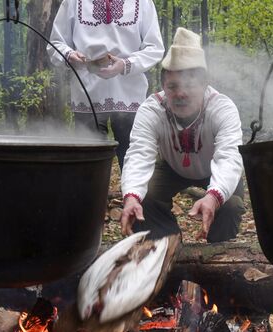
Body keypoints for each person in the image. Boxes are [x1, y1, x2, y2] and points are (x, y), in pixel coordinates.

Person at [120, 27, 245, 242]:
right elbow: (140, 153)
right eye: (173, 86)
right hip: (171, 167)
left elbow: (229, 156)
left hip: (214, 169)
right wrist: (131, 196)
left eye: (189, 85)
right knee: (144, 198)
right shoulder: (152, 110)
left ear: (204, 83)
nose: (180, 94)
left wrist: (214, 196)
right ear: (163, 86)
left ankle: (217, 255)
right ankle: (168, 248)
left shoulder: (222, 108)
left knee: (231, 205)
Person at [47, 0, 165, 170]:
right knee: (88, 160)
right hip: (86, 93)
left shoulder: (143, 2)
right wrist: (69, 54)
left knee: (132, 156)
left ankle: (132, 196)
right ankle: (90, 196)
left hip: (129, 94)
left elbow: (154, 48)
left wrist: (125, 65)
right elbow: (55, 44)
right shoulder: (73, 2)